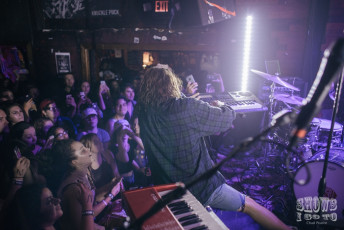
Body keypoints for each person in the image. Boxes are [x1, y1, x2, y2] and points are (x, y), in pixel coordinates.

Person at [137, 65, 290, 230]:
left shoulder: (144, 112)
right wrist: (222, 105)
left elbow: (170, 114)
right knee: (249, 204)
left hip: (166, 189)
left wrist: (187, 98)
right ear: (172, 84)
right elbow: (226, 119)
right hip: (199, 188)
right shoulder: (187, 107)